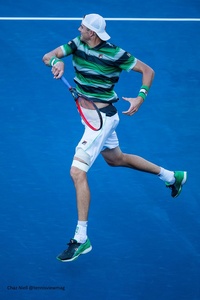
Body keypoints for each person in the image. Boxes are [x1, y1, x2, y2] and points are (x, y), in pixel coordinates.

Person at [43, 13, 187, 262]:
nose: (79, 29)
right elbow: (48, 56)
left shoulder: (116, 54)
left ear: (93, 33)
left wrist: (141, 97)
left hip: (101, 120)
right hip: (91, 116)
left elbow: (148, 71)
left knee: (77, 172)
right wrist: (57, 63)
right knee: (116, 159)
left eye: (83, 27)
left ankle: (81, 239)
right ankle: (171, 176)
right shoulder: (77, 43)